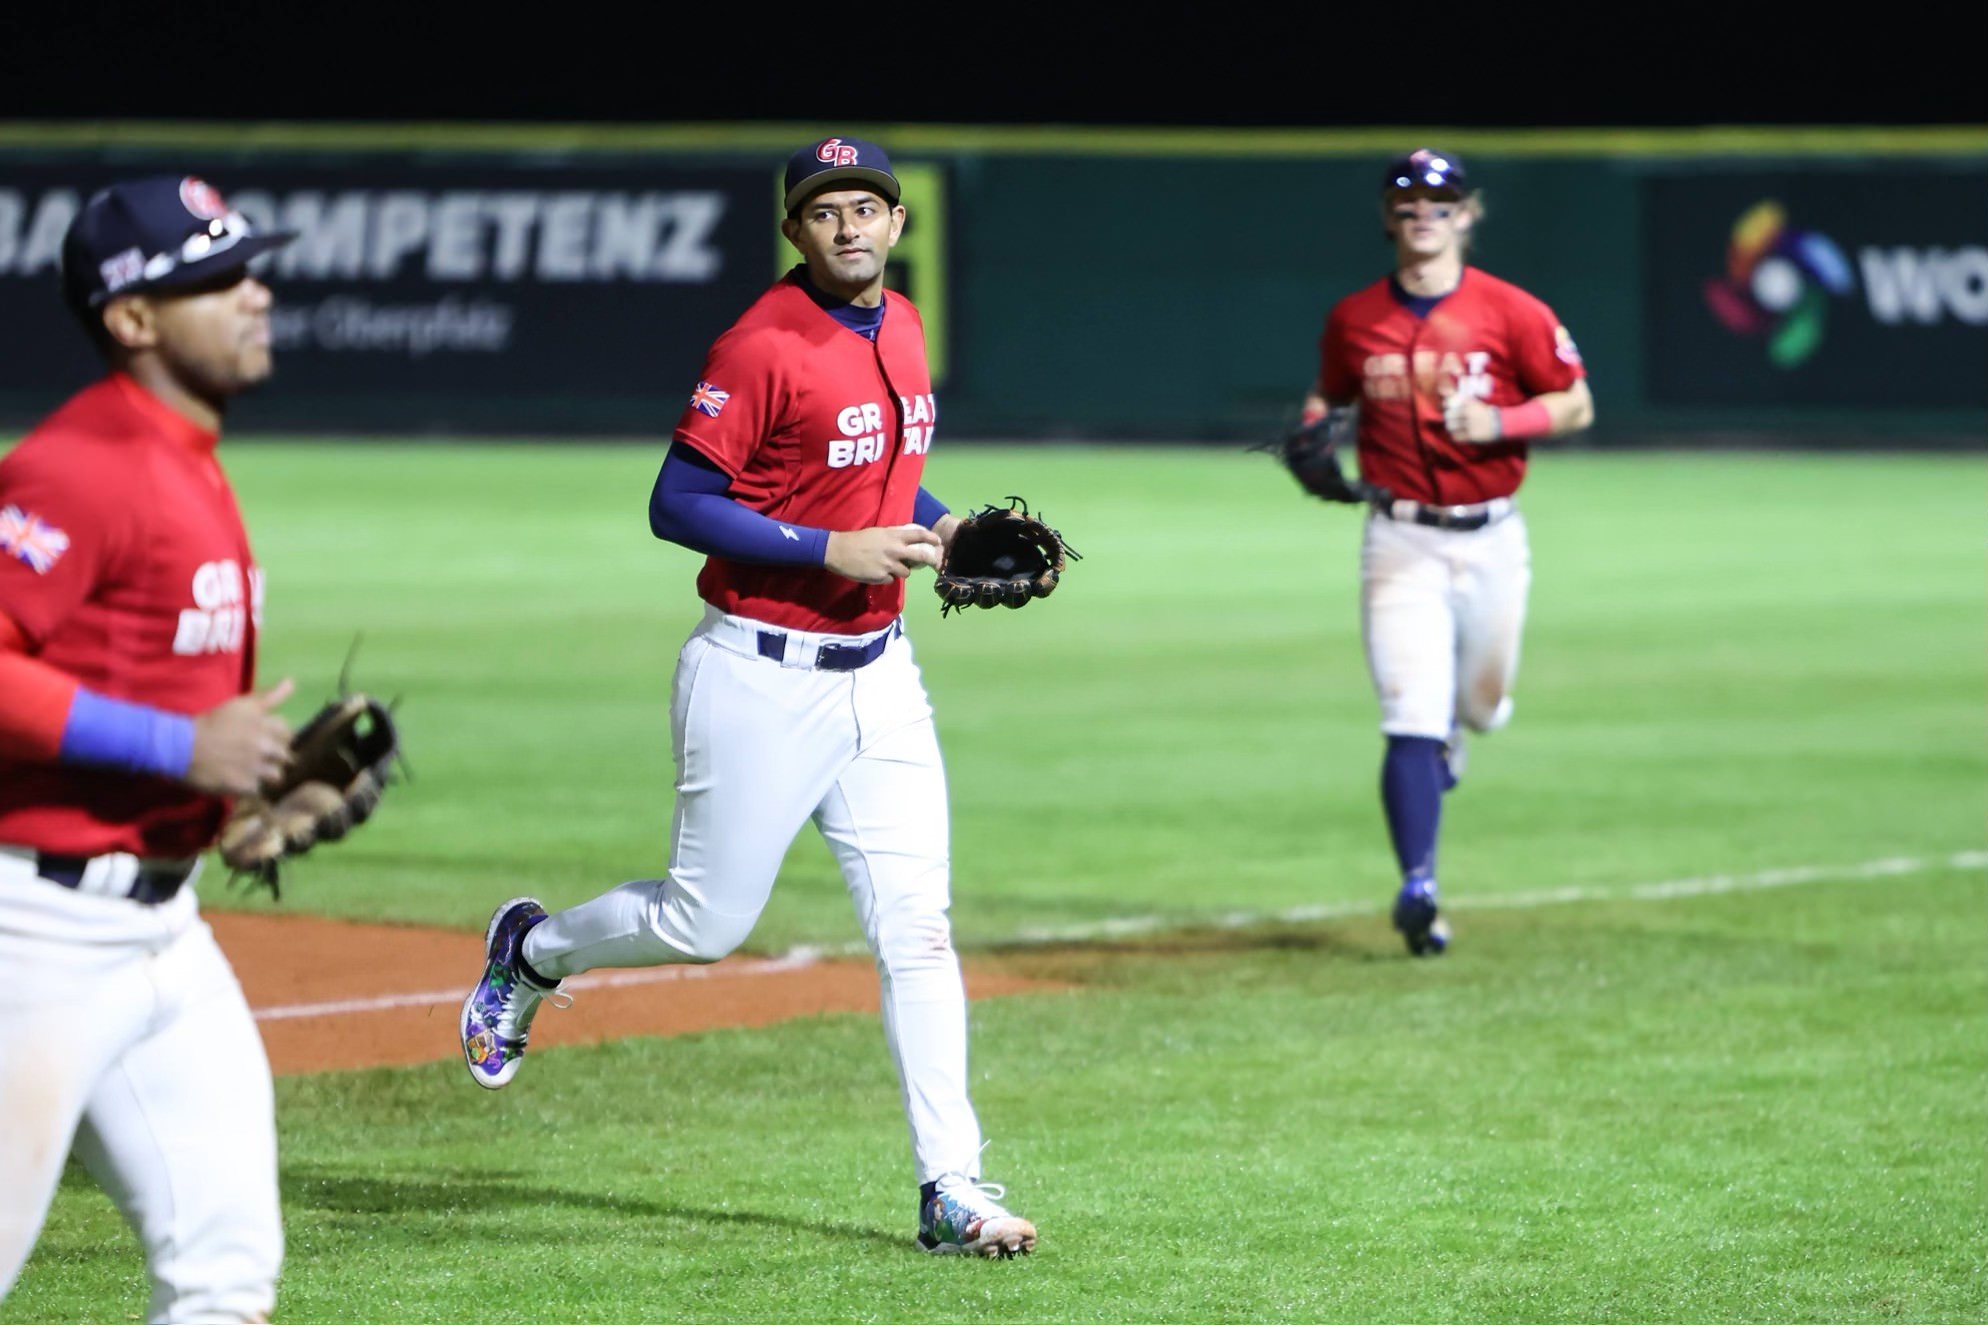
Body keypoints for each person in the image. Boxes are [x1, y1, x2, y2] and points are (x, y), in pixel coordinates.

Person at [458, 135, 1038, 1259]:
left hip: (882, 677)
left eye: (867, 206)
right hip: (757, 669)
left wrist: (950, 521)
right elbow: (676, 500)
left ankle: (951, 1184)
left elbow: (882, 472)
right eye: (825, 212)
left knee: (917, 931)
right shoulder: (761, 342)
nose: (850, 227)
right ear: (796, 231)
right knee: (701, 922)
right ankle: (531, 952)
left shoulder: (903, 326)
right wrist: (829, 543)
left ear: (897, 222)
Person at [0, 176, 301, 1321]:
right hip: (33, 935)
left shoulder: (186, 454)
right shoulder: (83, 463)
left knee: (226, 1274)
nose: (255, 295)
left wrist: (253, 805)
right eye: (216, 280)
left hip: (166, 936)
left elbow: (143, 697)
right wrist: (179, 744)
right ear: (131, 319)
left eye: (250, 269)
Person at [1299, 148, 1594, 957]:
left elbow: (1575, 402)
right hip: (1399, 540)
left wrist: (1503, 423)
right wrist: (1314, 437)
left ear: (1467, 214)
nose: (1422, 211)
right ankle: (1418, 886)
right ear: (1389, 217)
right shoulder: (1355, 317)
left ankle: (1461, 737)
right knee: (1409, 717)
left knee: (1480, 708)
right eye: (1407, 199)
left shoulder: (1512, 311)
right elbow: (1330, 395)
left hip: (1493, 536)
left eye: (1440, 200)